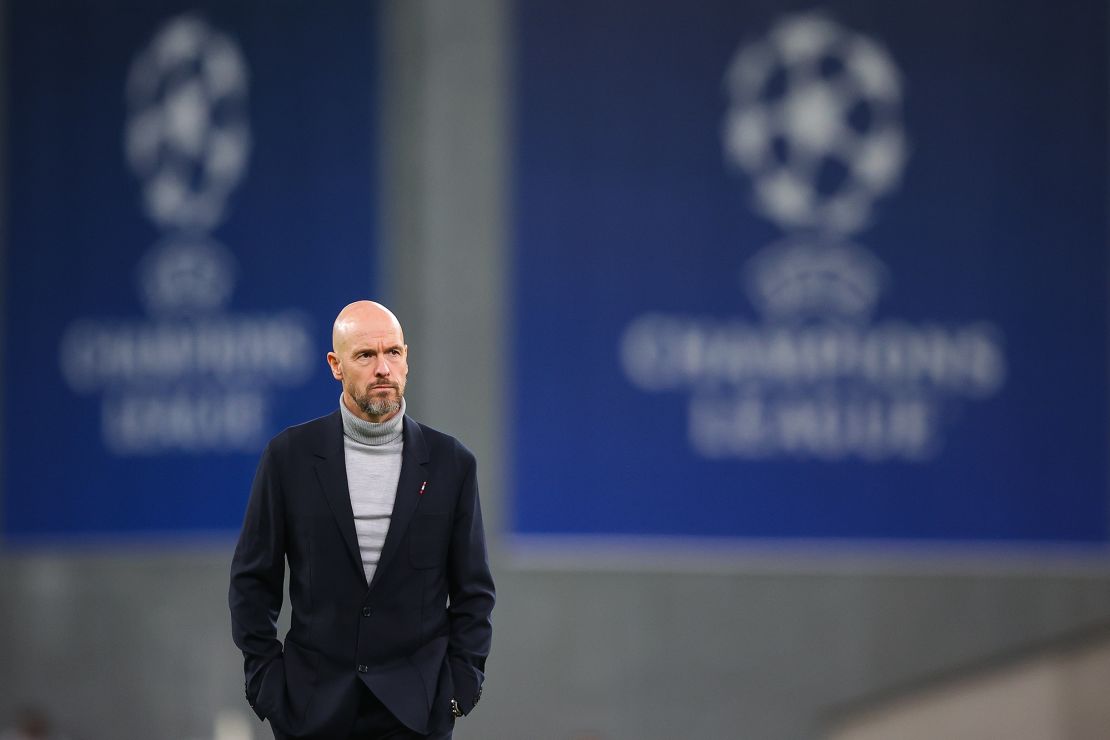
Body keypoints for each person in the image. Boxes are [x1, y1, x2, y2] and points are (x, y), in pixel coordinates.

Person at [230, 300, 495, 739]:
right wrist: (267, 687)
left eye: (392, 352)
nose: (383, 369)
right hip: (311, 711)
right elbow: (251, 582)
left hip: (416, 714)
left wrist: (460, 689)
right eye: (365, 356)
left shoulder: (452, 463)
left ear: (407, 358)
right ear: (336, 365)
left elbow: (474, 592)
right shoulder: (289, 458)